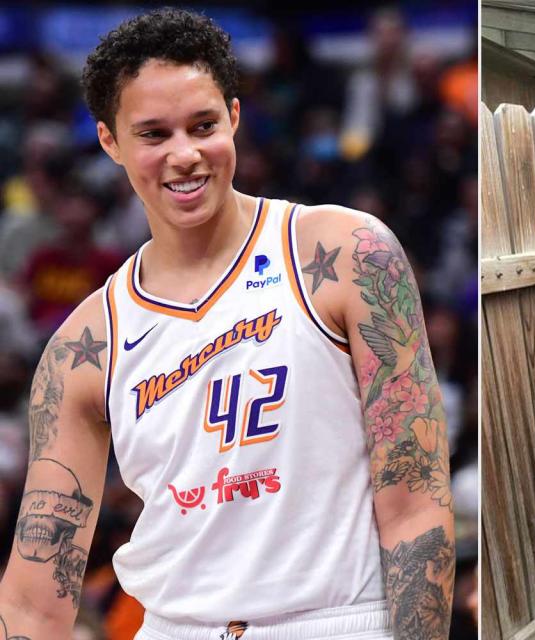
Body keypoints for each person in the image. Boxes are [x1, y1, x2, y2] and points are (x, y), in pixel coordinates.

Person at [0, 8, 454, 640]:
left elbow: (415, 506)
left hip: (335, 618)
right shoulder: (84, 345)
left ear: (235, 118)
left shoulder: (345, 250)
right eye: (154, 134)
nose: (184, 155)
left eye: (203, 125)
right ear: (110, 142)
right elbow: (33, 599)